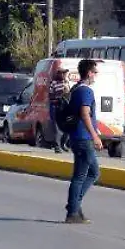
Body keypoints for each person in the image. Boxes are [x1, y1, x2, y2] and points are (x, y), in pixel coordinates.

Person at [64, 58, 100, 223]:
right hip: (83, 138)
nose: (96, 75)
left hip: (78, 137)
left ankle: (74, 207)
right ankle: (73, 209)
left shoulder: (76, 88)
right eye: (95, 72)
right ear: (89, 72)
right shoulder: (85, 91)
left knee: (91, 173)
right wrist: (94, 135)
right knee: (82, 175)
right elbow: (85, 114)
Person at [48, 68, 75, 153]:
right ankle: (57, 146)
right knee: (57, 128)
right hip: (55, 107)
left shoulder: (66, 83)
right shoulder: (54, 83)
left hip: (65, 107)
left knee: (67, 126)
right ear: (60, 74)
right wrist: (58, 98)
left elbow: (69, 95)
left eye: (66, 75)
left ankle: (63, 144)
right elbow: (51, 96)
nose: (65, 76)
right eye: (64, 74)